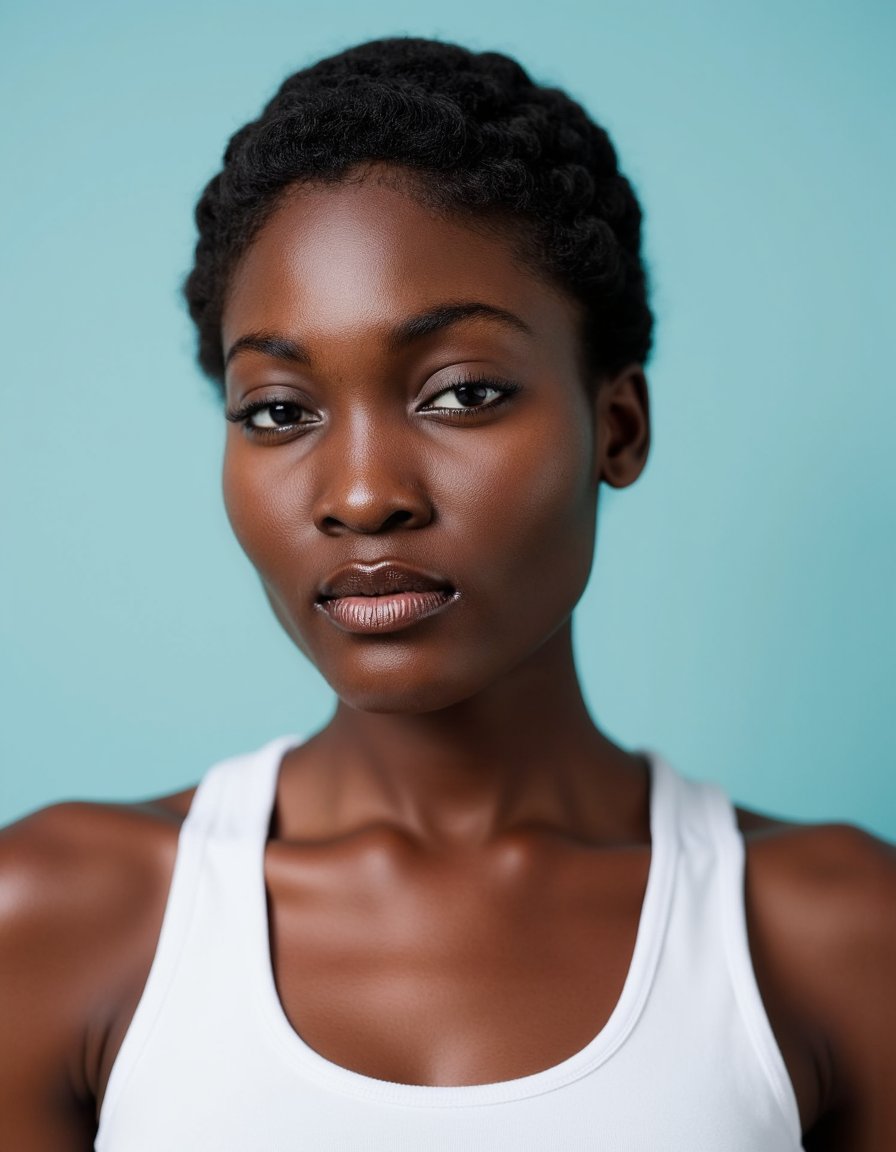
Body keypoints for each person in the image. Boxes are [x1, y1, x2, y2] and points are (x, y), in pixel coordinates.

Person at [0, 35, 892, 1152]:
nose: (362, 496)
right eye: (278, 411)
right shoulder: (59, 916)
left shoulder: (835, 937)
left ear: (617, 428)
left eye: (461, 393)